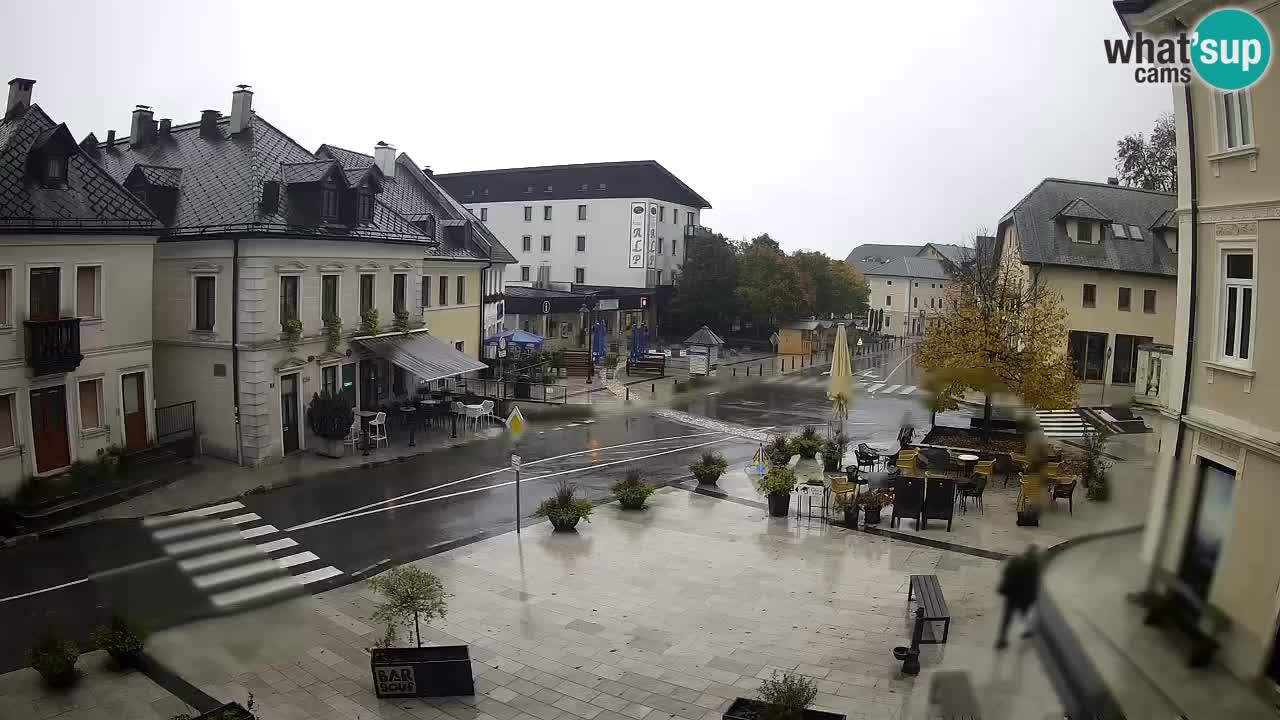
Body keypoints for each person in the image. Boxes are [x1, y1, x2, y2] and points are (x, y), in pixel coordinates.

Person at [996, 545, 1041, 649]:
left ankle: (1002, 638)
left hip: (1011, 594)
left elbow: (1006, 572)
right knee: (1023, 613)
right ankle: (1028, 629)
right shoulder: (1034, 566)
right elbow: (1033, 583)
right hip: (1023, 596)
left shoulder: (1016, 560)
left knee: (1007, 617)